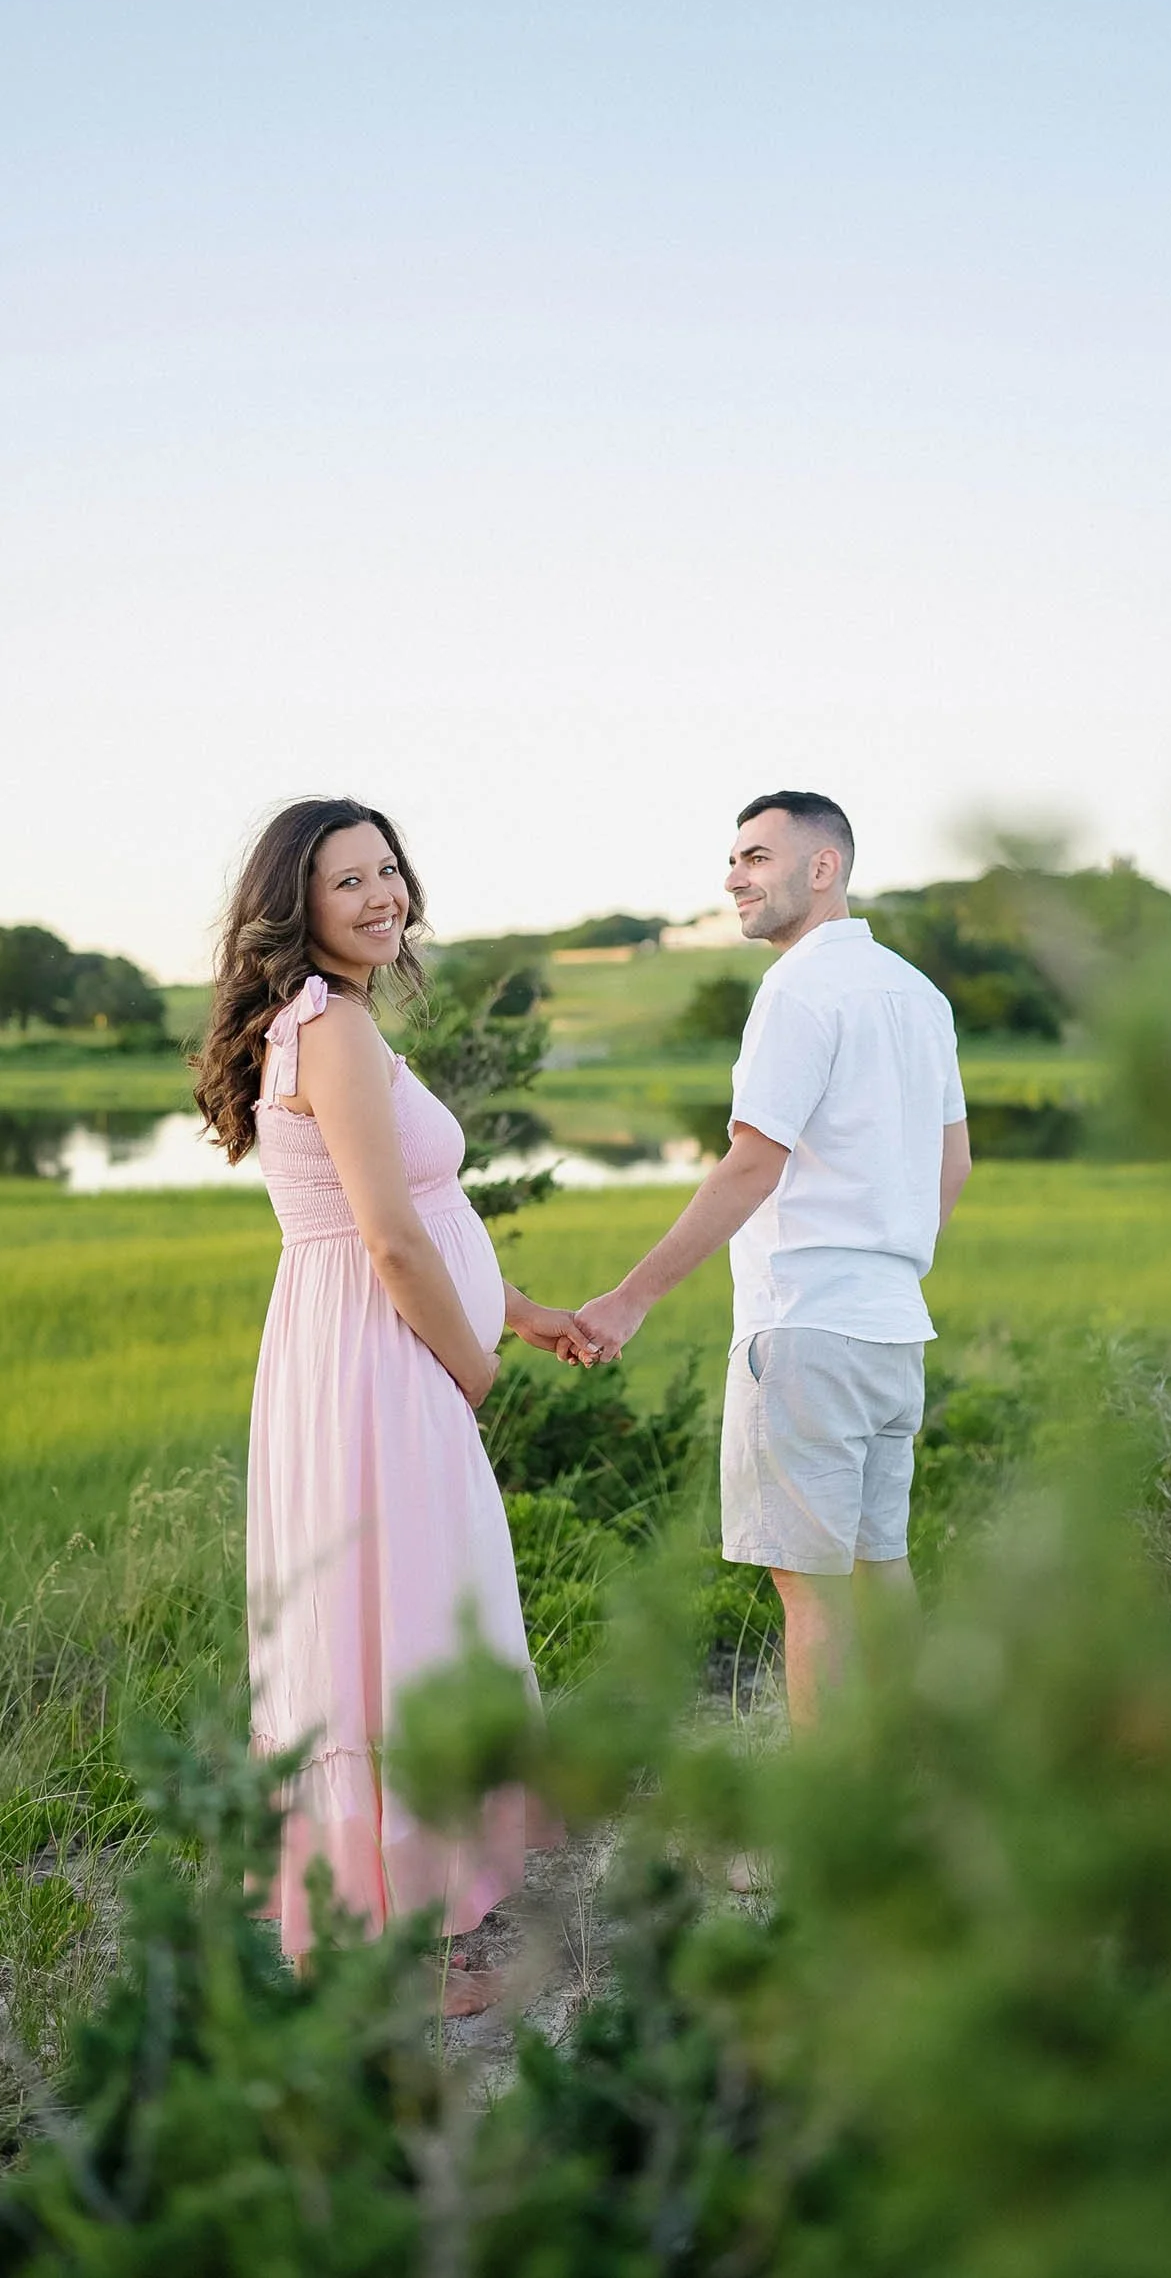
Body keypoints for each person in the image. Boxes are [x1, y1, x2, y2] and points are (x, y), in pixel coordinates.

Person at [194, 796, 590, 2009]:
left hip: (355, 1347)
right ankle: (386, 1955)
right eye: (346, 882)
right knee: (402, 1620)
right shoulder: (336, 1032)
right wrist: (471, 1363)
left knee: (371, 1617)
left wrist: (516, 1307)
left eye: (388, 872)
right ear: (295, 907)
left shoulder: (324, 1021)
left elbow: (422, 1219)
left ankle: (358, 1928)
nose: (380, 897)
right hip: (382, 1358)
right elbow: (387, 1237)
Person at [575, 792, 971, 1729]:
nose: (732, 878)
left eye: (755, 857)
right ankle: (915, 1799)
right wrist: (888, 1259)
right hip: (889, 1330)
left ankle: (833, 1838)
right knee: (882, 1575)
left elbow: (754, 1160)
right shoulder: (917, 993)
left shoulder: (796, 990)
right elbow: (952, 1162)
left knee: (815, 1597)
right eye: (733, 859)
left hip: (803, 1329)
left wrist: (631, 1298)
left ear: (821, 868)